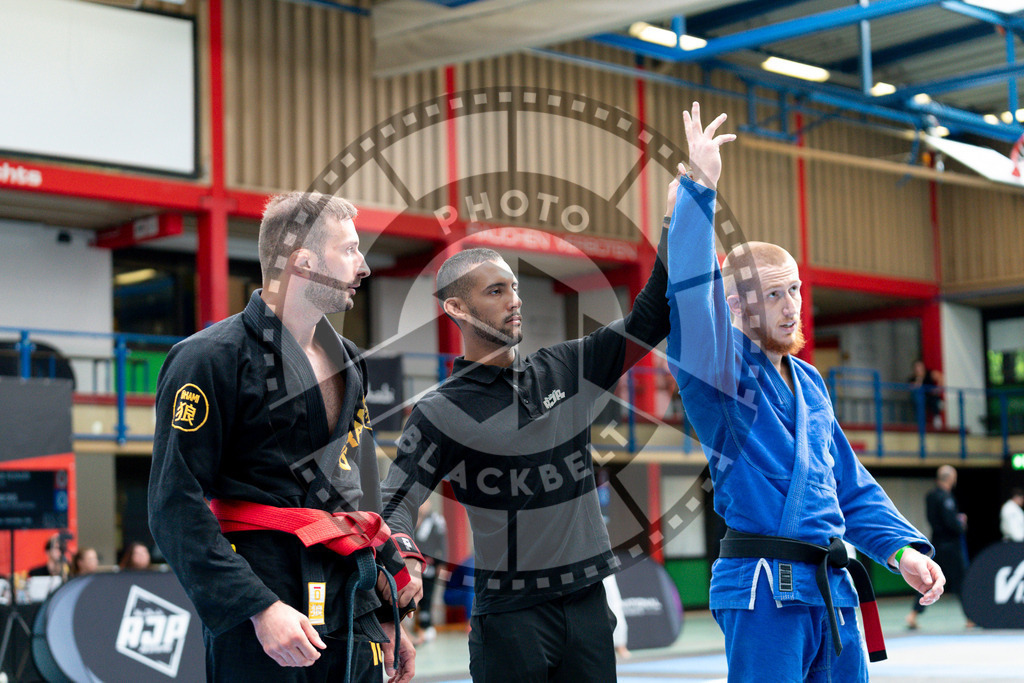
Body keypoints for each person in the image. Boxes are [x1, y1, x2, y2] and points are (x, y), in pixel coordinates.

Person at [378, 116, 730, 682]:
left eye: (515, 287)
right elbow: (396, 502)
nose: (514, 301)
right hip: (510, 620)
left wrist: (686, 207)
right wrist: (401, 553)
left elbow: (652, 316)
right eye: (496, 292)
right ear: (457, 310)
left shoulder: (566, 365)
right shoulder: (438, 411)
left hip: (589, 609)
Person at [665, 102, 944, 681]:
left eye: (794, 290)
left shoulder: (810, 381)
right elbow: (692, 296)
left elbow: (845, 480)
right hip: (766, 587)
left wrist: (901, 550)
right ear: (735, 305)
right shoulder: (718, 369)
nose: (792, 307)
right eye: (773, 295)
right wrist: (699, 189)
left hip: (833, 588)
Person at [149, 192, 416, 683]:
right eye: (350, 250)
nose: (363, 267)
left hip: (348, 596)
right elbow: (174, 503)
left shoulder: (350, 362)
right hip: (266, 595)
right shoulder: (209, 358)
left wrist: (384, 611)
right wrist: (257, 607)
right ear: (304, 263)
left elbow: (361, 493)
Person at [905, 465, 966, 630]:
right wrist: (960, 525)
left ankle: (913, 614)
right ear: (951, 478)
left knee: (929, 579)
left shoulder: (930, 496)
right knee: (962, 580)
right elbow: (950, 523)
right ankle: (970, 617)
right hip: (950, 546)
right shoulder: (945, 497)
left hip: (936, 544)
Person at [412, 498, 447, 645]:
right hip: (413, 564)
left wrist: (442, 564)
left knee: (427, 597)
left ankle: (427, 627)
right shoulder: (411, 518)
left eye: (425, 503)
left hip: (430, 565)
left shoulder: (436, 520)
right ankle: (413, 628)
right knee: (412, 596)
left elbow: (443, 543)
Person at [908, 360, 943, 429]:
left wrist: (938, 389)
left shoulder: (929, 373)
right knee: (918, 398)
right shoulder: (912, 379)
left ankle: (937, 417)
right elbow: (912, 388)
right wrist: (919, 379)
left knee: (934, 399)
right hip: (919, 398)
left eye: (920, 367)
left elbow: (940, 377)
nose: (918, 369)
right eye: (916, 367)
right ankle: (920, 421)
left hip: (931, 396)